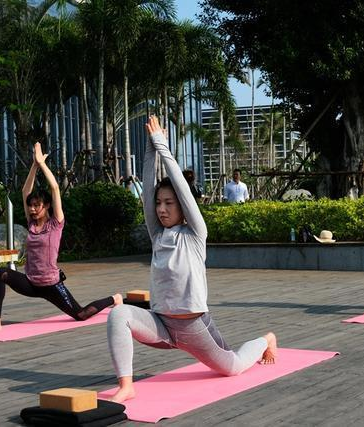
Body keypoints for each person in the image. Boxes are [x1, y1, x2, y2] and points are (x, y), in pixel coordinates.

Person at [105, 116, 277, 403]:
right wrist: (150, 147)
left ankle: (265, 340)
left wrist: (162, 145)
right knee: (119, 314)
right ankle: (126, 386)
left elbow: (183, 191)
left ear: (183, 207)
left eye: (169, 203)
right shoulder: (158, 235)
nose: (161, 209)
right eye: (159, 203)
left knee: (232, 367)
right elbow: (147, 192)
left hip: (193, 328)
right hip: (161, 326)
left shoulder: (196, 233)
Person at [0, 142, 122, 332]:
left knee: (81, 314)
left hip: (51, 285)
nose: (32, 209)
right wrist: (34, 164)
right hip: (30, 283)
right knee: (1, 273)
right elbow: (25, 191)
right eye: (30, 206)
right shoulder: (32, 223)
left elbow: (55, 188)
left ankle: (113, 299)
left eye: (37, 205)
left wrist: (42, 164)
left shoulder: (55, 224)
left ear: (47, 206)